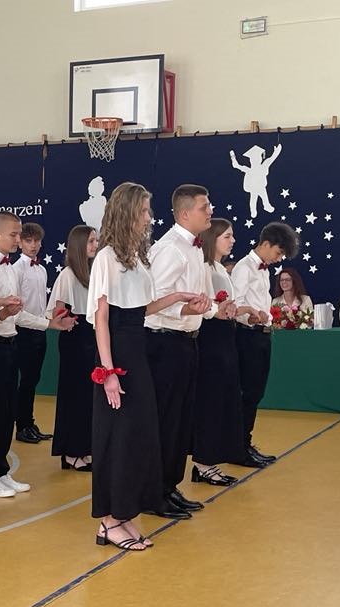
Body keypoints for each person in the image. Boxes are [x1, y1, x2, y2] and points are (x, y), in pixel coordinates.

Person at [87, 182, 203, 549]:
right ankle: (109, 521)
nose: (149, 218)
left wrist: (178, 297)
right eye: (143, 212)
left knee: (139, 439)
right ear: (126, 213)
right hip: (117, 356)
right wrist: (108, 372)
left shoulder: (136, 258)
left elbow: (141, 310)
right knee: (117, 440)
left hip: (138, 352)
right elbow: (102, 318)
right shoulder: (106, 258)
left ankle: (125, 515)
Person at [144, 184, 231, 520]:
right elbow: (155, 302)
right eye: (204, 207)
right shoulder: (169, 249)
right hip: (165, 343)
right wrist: (189, 310)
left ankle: (169, 486)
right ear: (184, 214)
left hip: (187, 341)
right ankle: (154, 493)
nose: (210, 211)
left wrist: (215, 311)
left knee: (181, 421)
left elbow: (199, 299)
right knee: (165, 420)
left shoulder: (195, 248)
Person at [0, 212, 75, 499]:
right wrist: (4, 312)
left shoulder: (9, 268)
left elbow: (17, 315)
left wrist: (49, 324)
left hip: (10, 343)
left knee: (8, 411)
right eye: (14, 234)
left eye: (20, 234)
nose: (18, 240)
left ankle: (0, 470)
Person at [231, 221, 300, 468]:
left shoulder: (263, 270)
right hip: (247, 336)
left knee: (256, 392)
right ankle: (238, 447)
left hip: (262, 335)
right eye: (278, 253)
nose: (278, 259)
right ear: (266, 244)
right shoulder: (244, 268)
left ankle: (245, 442)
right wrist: (249, 316)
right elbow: (235, 304)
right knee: (247, 393)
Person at [190, 219, 247, 486]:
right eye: (227, 236)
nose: (232, 241)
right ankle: (203, 462)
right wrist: (219, 310)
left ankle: (211, 459)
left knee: (223, 397)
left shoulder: (219, 268)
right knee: (210, 400)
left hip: (225, 336)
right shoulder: (203, 267)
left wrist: (233, 309)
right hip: (211, 337)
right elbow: (203, 302)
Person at [47, 225, 97, 471]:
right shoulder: (67, 275)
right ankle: (71, 452)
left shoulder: (93, 272)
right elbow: (58, 310)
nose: (95, 245)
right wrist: (67, 320)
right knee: (74, 394)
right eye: (90, 241)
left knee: (88, 396)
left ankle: (83, 448)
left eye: (96, 241)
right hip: (76, 336)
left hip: (91, 335)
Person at [13, 222, 52, 445]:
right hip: (23, 331)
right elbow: (16, 309)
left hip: (40, 330)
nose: (33, 245)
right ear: (20, 243)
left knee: (33, 379)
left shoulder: (41, 269)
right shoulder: (16, 270)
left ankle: (29, 422)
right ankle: (22, 425)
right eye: (28, 241)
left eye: (37, 241)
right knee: (26, 380)